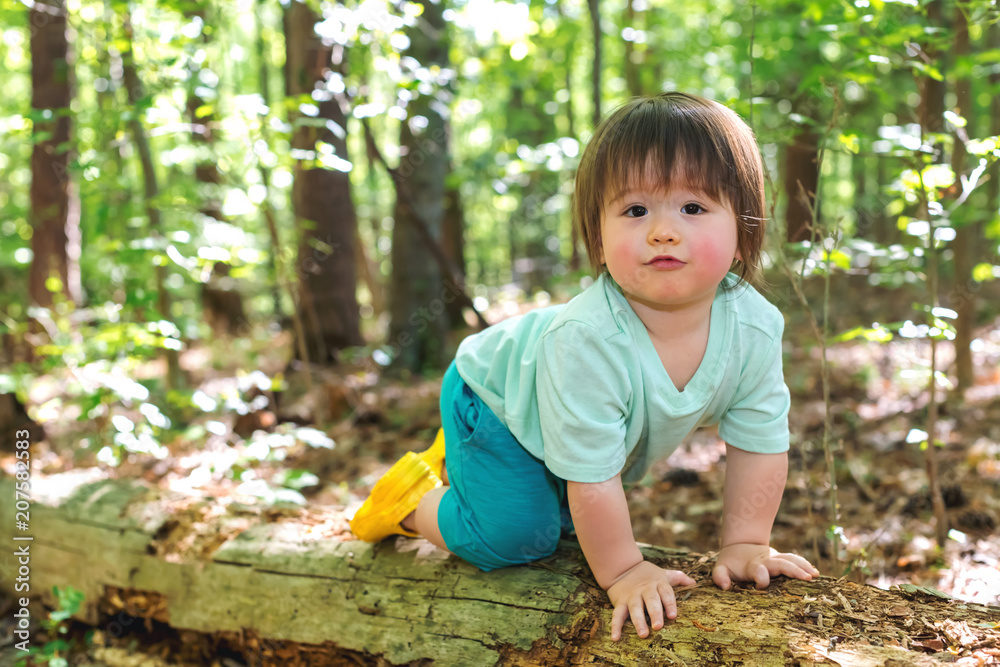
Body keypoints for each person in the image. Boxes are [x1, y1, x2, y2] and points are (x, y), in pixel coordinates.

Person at [350, 92, 819, 642]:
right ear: (598, 235)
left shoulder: (754, 327)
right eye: (635, 210)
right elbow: (595, 480)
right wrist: (623, 571)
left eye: (693, 208)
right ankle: (411, 501)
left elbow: (760, 443)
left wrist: (745, 544)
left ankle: (484, 481)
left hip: (565, 417)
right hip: (496, 398)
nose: (662, 231)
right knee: (517, 538)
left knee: (570, 523)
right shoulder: (589, 339)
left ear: (743, 231)